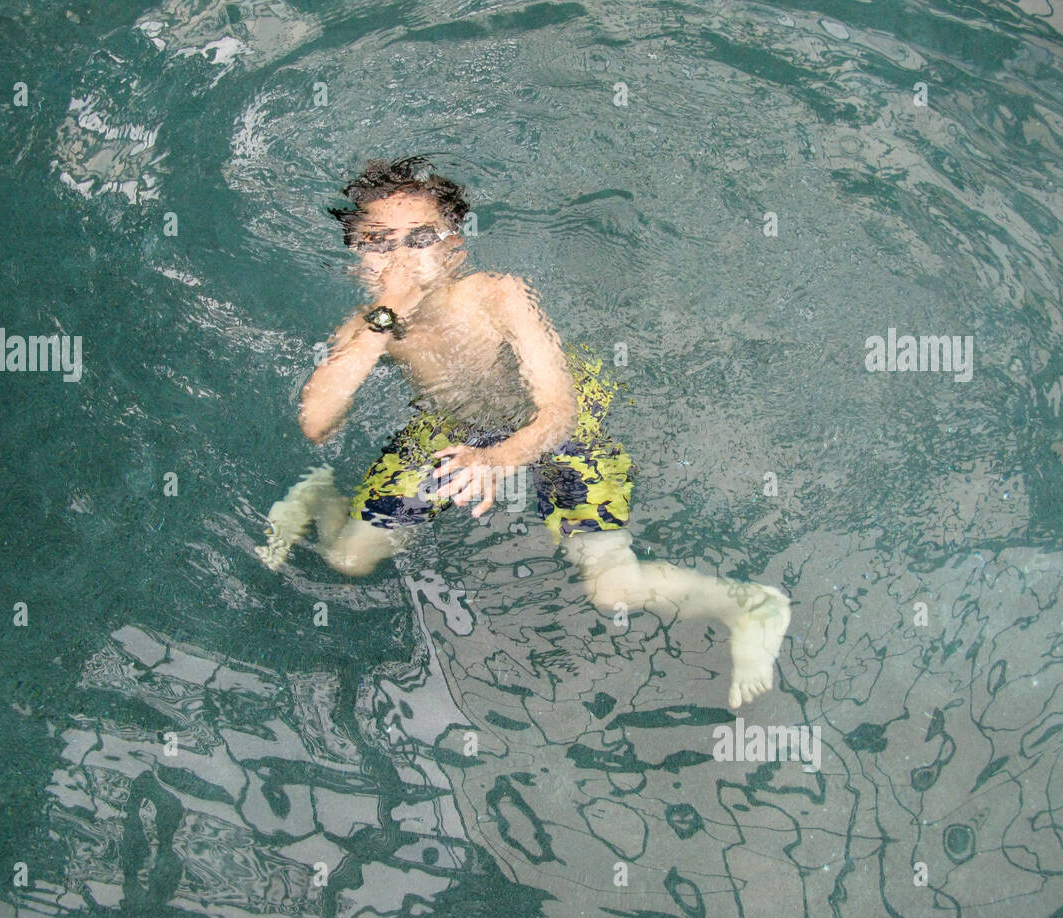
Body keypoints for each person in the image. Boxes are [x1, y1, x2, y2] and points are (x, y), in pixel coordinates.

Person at [256, 156, 790, 709]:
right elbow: (317, 422)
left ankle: (749, 605)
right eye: (377, 242)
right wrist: (386, 314)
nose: (398, 258)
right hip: (448, 428)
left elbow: (559, 410)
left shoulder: (497, 295)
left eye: (419, 238)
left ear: (453, 248)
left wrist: (499, 460)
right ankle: (321, 495)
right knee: (348, 558)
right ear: (355, 259)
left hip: (551, 426)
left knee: (613, 589)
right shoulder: (371, 328)